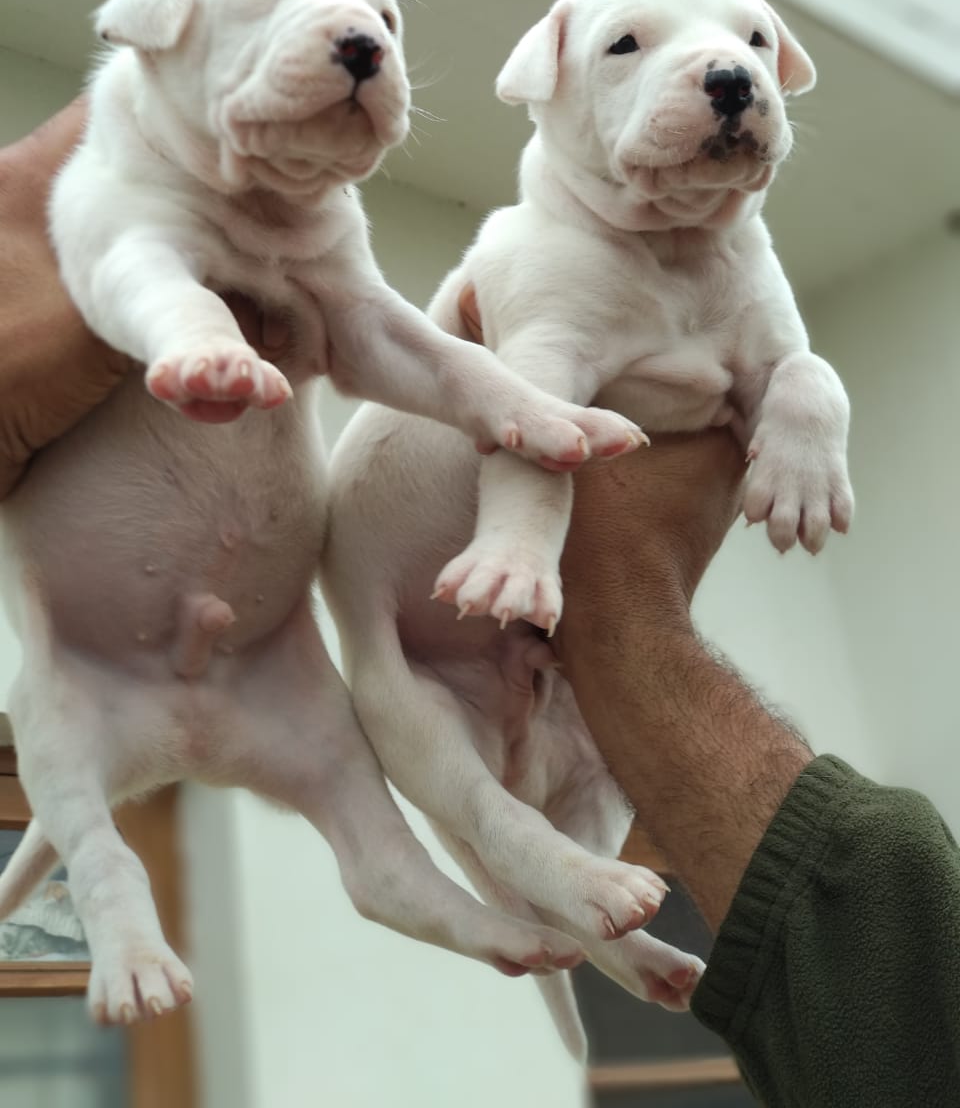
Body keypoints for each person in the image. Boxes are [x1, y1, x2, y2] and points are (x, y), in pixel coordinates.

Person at [4, 108, 960, 1106]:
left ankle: (593, 947)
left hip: (455, 633)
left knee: (574, 802)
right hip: (419, 627)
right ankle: (556, 909)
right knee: (483, 799)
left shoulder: (708, 272)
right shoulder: (526, 254)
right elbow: (505, 382)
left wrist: (794, 407)